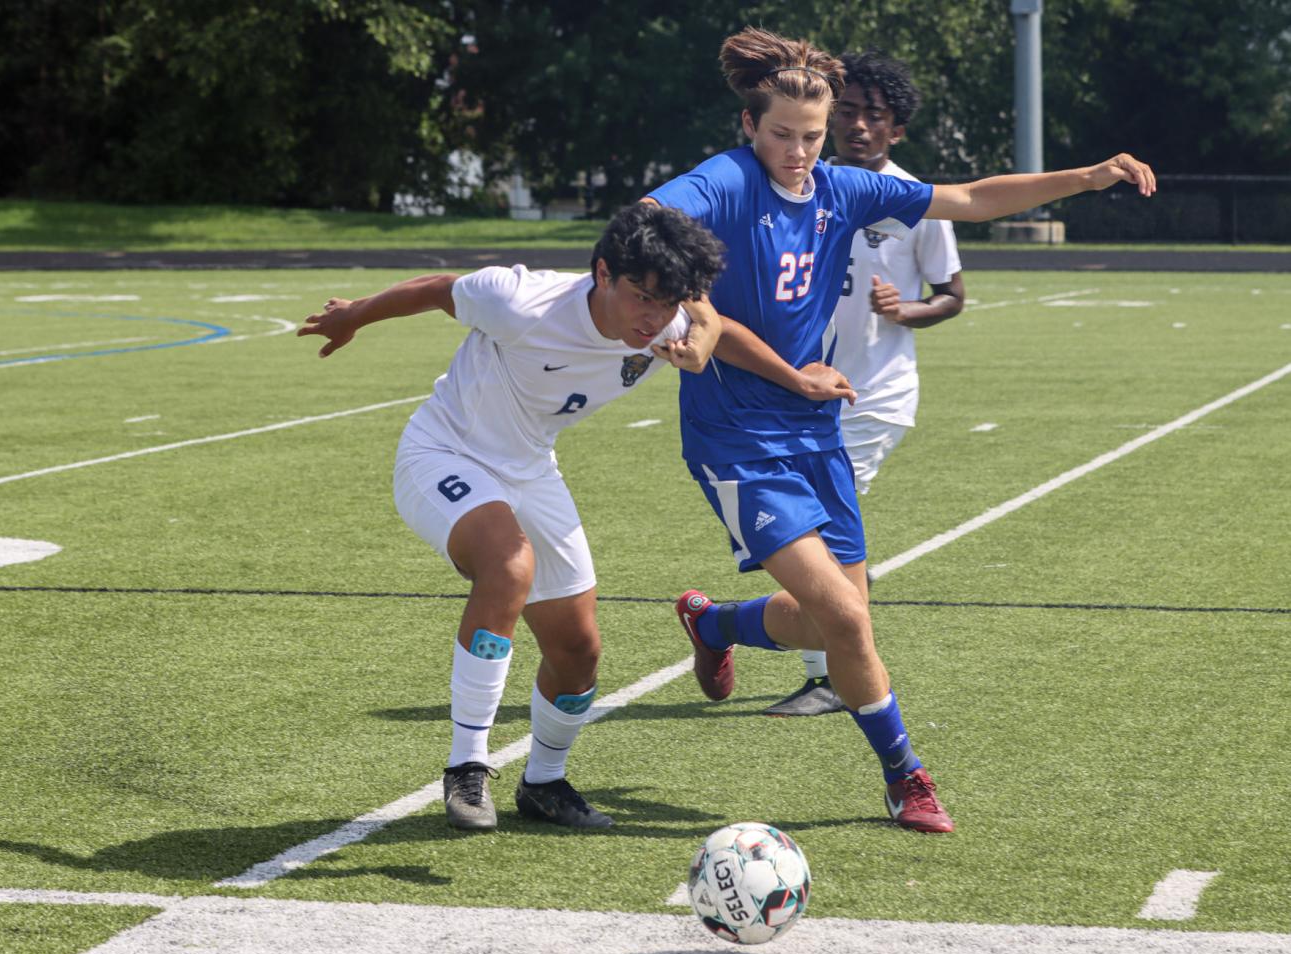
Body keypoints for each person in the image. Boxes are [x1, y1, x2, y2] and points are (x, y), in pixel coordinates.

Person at [648, 26, 1154, 833]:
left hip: (814, 428)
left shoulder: (842, 189)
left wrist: (1088, 177)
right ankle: (905, 777)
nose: (799, 151)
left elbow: (972, 198)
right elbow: (648, 219)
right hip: (736, 437)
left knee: (829, 619)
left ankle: (712, 624)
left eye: (811, 137)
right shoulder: (725, 181)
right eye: (781, 134)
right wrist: (685, 306)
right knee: (847, 620)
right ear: (748, 126)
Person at [298, 202, 726, 832]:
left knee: (578, 651)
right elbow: (437, 290)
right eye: (641, 297)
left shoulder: (666, 322)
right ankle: (466, 769)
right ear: (603, 273)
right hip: (444, 451)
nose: (654, 318)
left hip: (531, 469)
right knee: (509, 565)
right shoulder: (520, 299)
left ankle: (544, 784)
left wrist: (791, 377)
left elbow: (717, 325)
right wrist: (352, 316)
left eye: (667, 305)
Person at [768, 50, 965, 718]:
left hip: (872, 395)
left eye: (872, 117)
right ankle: (717, 625)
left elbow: (951, 294)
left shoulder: (915, 202)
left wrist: (904, 309)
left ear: (895, 129)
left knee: (815, 530)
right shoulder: (798, 184)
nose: (856, 126)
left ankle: (824, 672)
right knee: (806, 534)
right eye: (845, 112)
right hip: (796, 390)